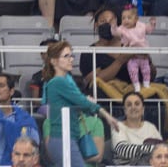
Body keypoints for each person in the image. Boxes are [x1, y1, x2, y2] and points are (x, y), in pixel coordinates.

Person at [42, 39, 120, 167]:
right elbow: (81, 101)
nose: (71, 59)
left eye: (71, 55)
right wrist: (107, 115)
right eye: (66, 56)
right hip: (62, 139)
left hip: (67, 137)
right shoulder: (58, 82)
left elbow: (79, 102)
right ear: (54, 61)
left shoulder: (63, 81)